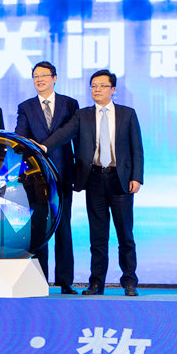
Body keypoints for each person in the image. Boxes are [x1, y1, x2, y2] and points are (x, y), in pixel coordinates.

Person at [44, 69, 143, 296]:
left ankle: (129, 281)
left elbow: (137, 148)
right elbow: (64, 134)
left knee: (125, 235)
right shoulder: (83, 115)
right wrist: (44, 146)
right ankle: (96, 283)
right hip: (95, 179)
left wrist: (137, 177)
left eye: (102, 86)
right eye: (93, 86)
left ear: (112, 89)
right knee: (98, 236)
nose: (97, 90)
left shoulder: (127, 114)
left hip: (121, 180)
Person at [14, 61, 79, 294]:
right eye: (35, 76)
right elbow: (20, 137)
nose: (39, 79)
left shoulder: (70, 104)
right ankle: (39, 280)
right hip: (36, 176)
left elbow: (74, 135)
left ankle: (65, 281)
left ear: (55, 78)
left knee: (63, 227)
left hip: (63, 173)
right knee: (39, 228)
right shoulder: (26, 106)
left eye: (44, 75)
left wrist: (79, 172)